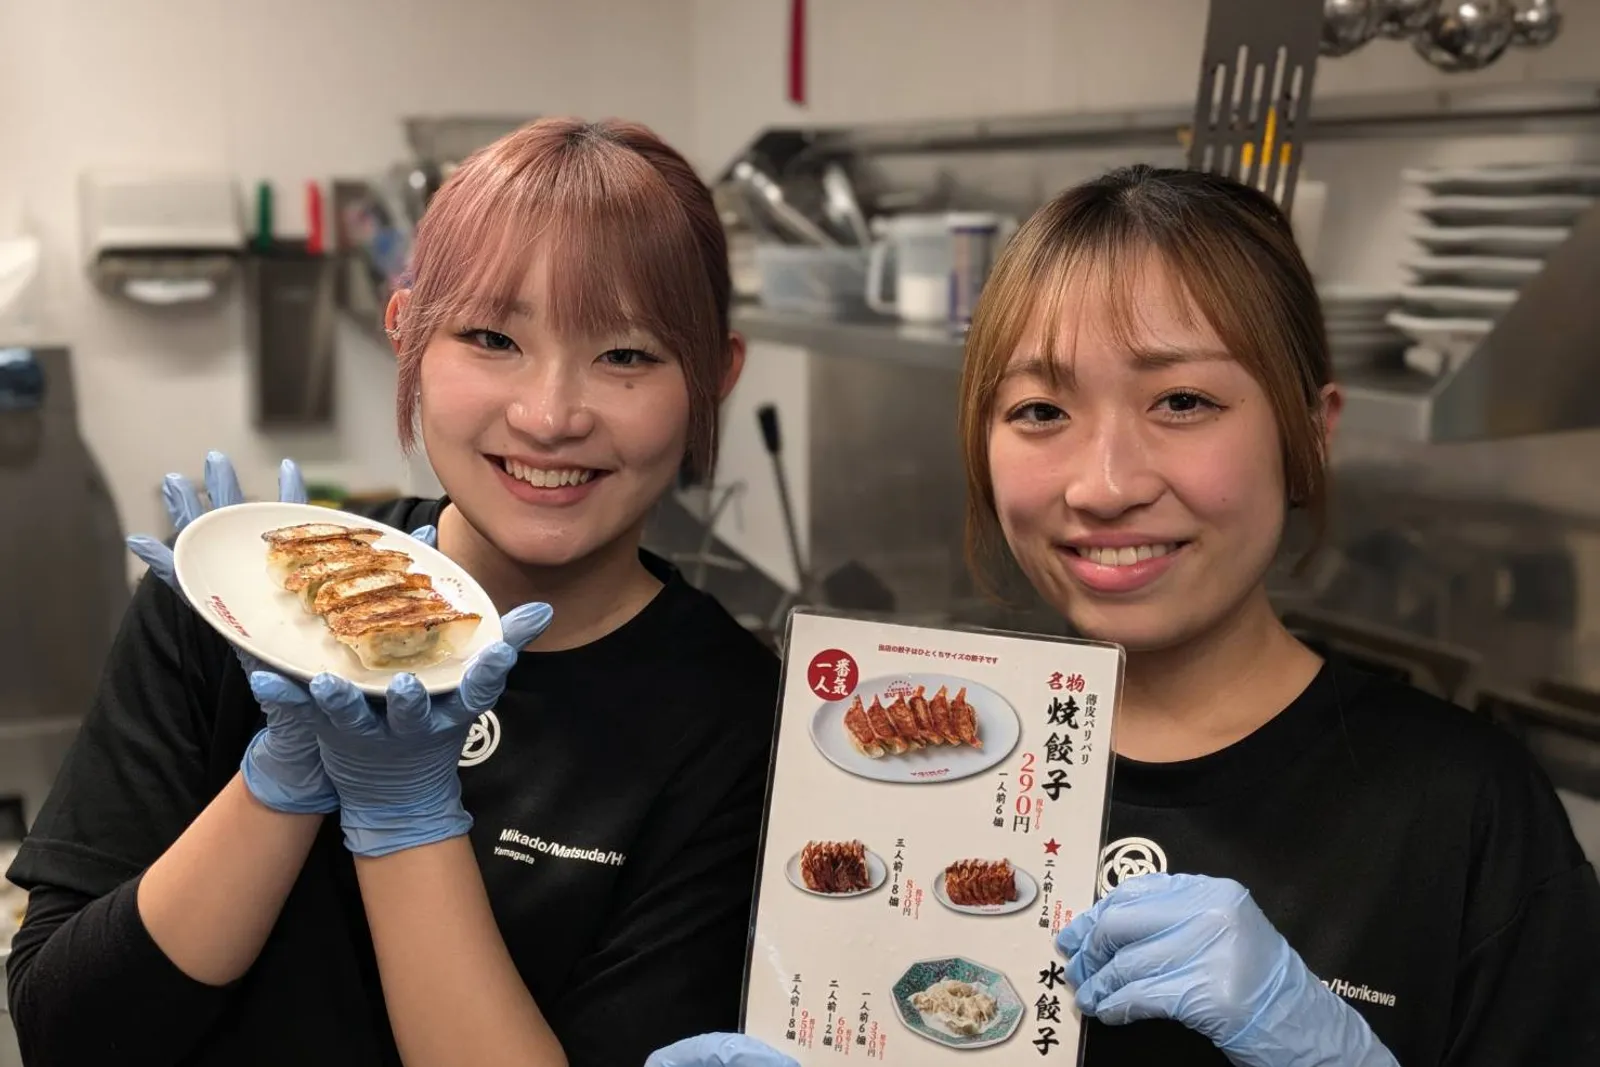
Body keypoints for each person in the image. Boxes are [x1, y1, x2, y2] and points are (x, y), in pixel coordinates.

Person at [645, 166, 1600, 1067]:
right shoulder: (868, 785)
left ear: (1311, 431)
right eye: (1040, 411)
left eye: (1182, 400)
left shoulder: (1465, 810)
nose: (1104, 486)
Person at [5, 117, 781, 1067]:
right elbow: (63, 1034)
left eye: (626, 355)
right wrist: (278, 787)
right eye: (492, 337)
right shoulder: (238, 605)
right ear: (406, 329)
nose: (549, 416)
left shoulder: (740, 725)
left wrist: (405, 815)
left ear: (715, 376)